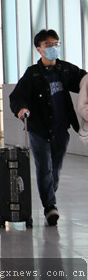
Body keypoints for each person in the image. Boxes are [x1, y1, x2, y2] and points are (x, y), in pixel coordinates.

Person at [9, 29, 88, 226]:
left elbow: (84, 81)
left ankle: (49, 196)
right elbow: (17, 96)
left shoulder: (66, 70)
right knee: (44, 168)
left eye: (56, 44)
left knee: (55, 169)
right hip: (39, 129)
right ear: (39, 49)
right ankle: (50, 207)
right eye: (48, 45)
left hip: (61, 128)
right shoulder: (33, 74)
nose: (53, 48)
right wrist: (21, 109)